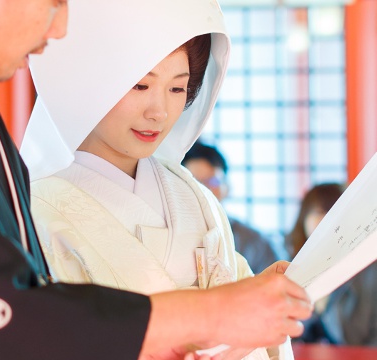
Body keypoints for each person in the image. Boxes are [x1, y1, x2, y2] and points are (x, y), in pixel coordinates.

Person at [0, 0, 311, 359]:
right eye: (55, 2)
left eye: (178, 88)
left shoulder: (191, 194)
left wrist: (254, 302)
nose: (59, 29)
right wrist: (209, 318)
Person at [20, 0, 309, 358]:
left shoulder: (192, 194)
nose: (158, 112)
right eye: (140, 86)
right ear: (86, 84)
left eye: (177, 89)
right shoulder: (37, 209)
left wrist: (263, 294)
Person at [286, 183, 377, 346]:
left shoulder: (369, 270)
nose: (327, 221)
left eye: (335, 213)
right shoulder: (287, 264)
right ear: (304, 218)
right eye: (320, 212)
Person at [182, 142, 286, 274]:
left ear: (228, 188)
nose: (204, 190)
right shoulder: (170, 235)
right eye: (195, 182)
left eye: (213, 182)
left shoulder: (255, 242)